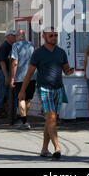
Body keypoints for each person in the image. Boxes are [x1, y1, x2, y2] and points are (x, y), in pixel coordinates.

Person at [18, 27, 74, 159]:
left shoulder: (61, 52)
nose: (54, 38)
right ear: (44, 37)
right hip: (44, 89)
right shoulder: (38, 53)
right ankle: (57, 148)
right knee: (51, 119)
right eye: (51, 36)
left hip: (58, 89)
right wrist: (22, 90)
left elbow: (66, 69)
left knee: (50, 121)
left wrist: (70, 71)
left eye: (55, 35)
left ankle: (44, 149)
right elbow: (30, 73)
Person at [10, 30, 35, 129]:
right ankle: (24, 118)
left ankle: (24, 121)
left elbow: (15, 62)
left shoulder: (15, 46)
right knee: (28, 98)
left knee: (21, 98)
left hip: (20, 76)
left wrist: (12, 77)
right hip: (32, 76)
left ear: (17, 36)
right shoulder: (31, 45)